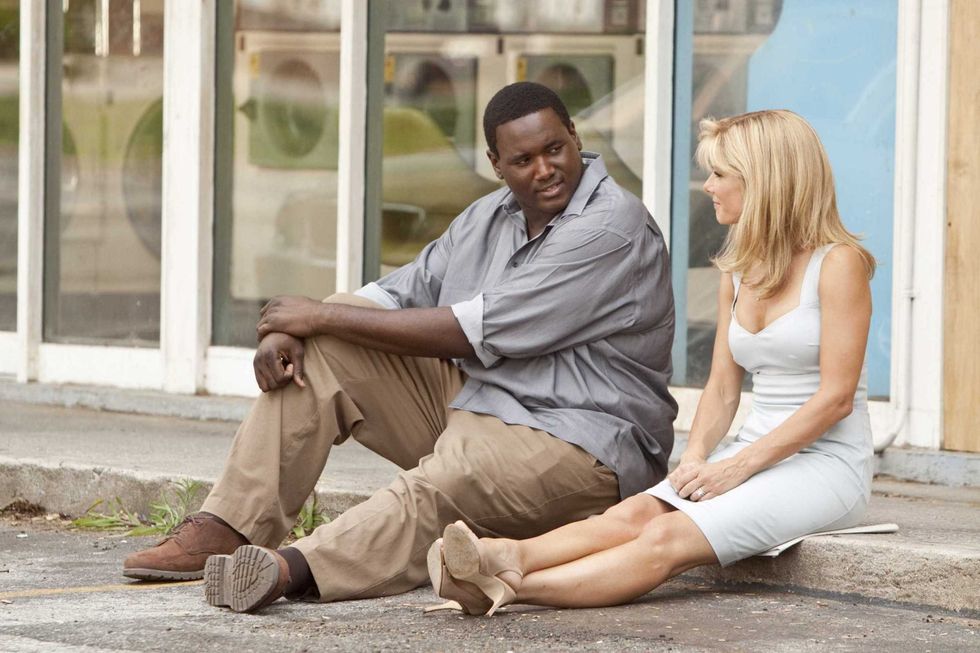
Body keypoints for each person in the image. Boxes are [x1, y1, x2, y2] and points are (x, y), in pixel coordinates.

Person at [122, 82, 677, 613]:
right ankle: (231, 525)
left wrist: (314, 313)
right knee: (333, 338)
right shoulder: (488, 217)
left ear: (576, 137)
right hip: (479, 404)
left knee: (442, 484)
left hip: (579, 446)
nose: (544, 169)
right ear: (496, 163)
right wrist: (299, 330)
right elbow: (392, 296)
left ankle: (290, 568)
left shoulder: (611, 228)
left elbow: (470, 330)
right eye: (523, 159)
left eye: (554, 149)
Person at [427, 109, 876, 616]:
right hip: (752, 450)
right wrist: (696, 456)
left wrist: (737, 468)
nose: (706, 187)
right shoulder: (740, 267)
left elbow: (836, 399)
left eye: (719, 174)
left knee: (666, 535)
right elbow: (724, 388)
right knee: (638, 510)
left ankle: (509, 587)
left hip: (826, 466)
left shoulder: (838, 264)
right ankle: (504, 553)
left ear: (765, 181)